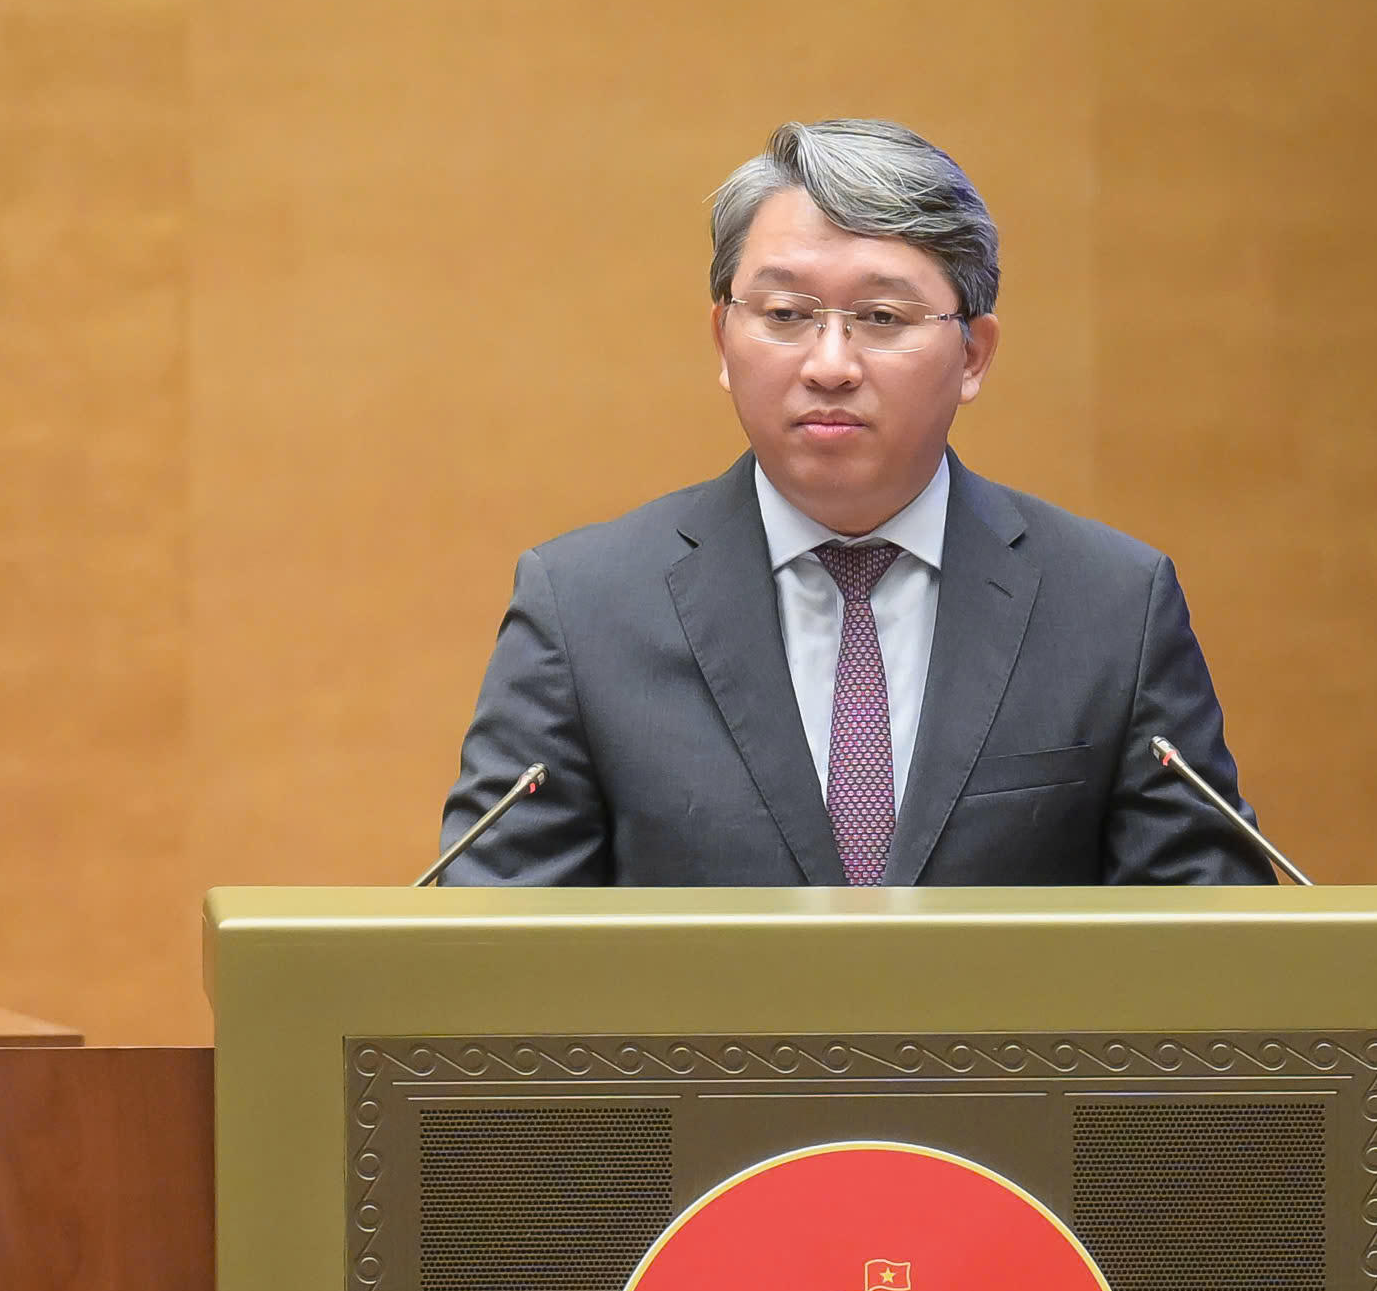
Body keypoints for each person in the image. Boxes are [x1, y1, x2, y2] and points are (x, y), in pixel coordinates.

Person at [438, 119, 1273, 887]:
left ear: (974, 355)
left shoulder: (1112, 607)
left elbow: (1214, 955)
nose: (830, 365)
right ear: (722, 340)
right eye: (786, 313)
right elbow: (489, 955)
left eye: (880, 316)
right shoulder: (583, 611)